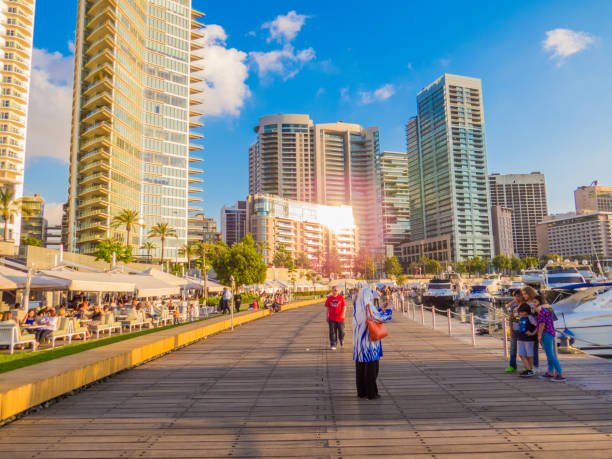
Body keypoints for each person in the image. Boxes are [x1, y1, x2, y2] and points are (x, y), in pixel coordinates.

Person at [353, 284, 392, 399]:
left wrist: (380, 309)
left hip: (358, 344)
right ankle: (371, 393)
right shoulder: (368, 307)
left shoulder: (357, 307)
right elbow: (379, 318)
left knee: (360, 369)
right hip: (369, 344)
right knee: (372, 369)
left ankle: (362, 392)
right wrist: (388, 310)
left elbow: (370, 316)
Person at [534, 295, 566, 382]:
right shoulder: (546, 310)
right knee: (549, 354)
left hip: (546, 334)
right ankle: (550, 371)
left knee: (550, 354)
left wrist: (539, 335)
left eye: (535, 302)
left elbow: (542, 324)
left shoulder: (542, 311)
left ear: (540, 302)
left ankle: (560, 374)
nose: (534, 304)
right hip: (550, 333)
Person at [516, 304, 537, 377]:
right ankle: (528, 369)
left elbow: (537, 325)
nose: (520, 313)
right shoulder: (521, 317)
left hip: (528, 339)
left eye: (522, 312)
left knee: (530, 355)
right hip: (521, 338)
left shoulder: (530, 317)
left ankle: (530, 369)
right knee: (521, 354)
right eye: (520, 312)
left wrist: (532, 333)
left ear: (526, 312)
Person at [505, 290, 523, 373]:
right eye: (515, 296)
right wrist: (511, 330)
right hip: (514, 329)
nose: (516, 298)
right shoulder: (513, 306)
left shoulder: (525, 304)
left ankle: (527, 367)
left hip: (523, 330)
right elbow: (510, 318)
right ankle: (512, 366)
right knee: (512, 349)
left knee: (524, 350)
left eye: (518, 296)